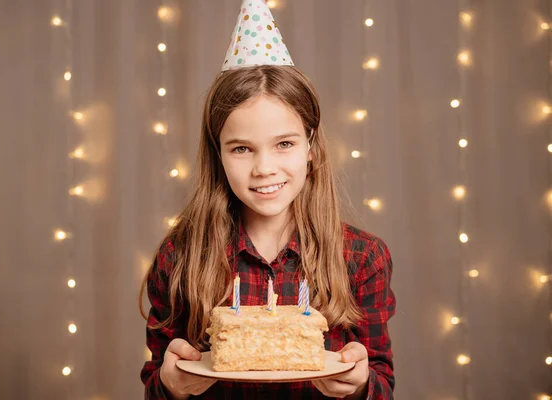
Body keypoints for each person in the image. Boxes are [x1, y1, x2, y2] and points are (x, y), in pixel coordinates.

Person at [139, 1, 396, 398]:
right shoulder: (180, 258)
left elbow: (382, 385)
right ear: (218, 153)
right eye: (242, 149)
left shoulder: (361, 258)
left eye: (284, 144)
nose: (264, 168)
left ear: (310, 146)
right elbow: (155, 385)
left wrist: (361, 384)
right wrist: (171, 385)